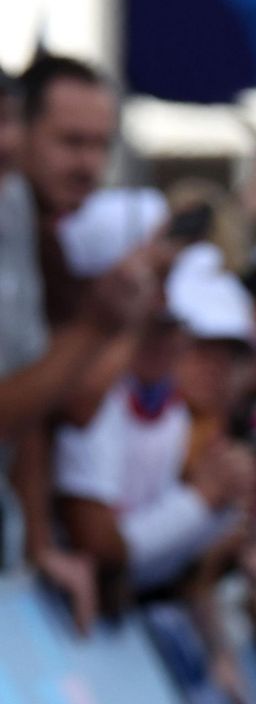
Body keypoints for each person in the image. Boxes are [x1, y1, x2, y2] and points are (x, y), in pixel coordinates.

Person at [0, 55, 150, 630]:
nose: (89, 165)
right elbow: (66, 397)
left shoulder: (30, 225)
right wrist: (101, 326)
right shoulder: (20, 210)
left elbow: (34, 408)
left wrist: (38, 546)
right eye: (70, 142)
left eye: (100, 145)